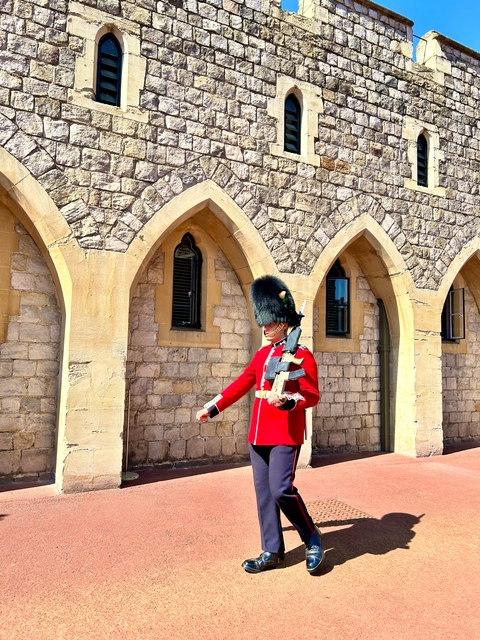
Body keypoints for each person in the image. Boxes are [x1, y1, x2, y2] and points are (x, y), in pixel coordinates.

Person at [196, 275, 325, 575]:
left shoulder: (301, 354)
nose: (264, 327)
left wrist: (290, 401)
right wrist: (213, 407)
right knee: (263, 494)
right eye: (264, 322)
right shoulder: (262, 355)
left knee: (281, 489)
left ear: (282, 321)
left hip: (285, 433)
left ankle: (312, 537)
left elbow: (311, 394)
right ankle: (272, 550)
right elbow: (242, 384)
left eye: (269, 322)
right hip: (258, 433)